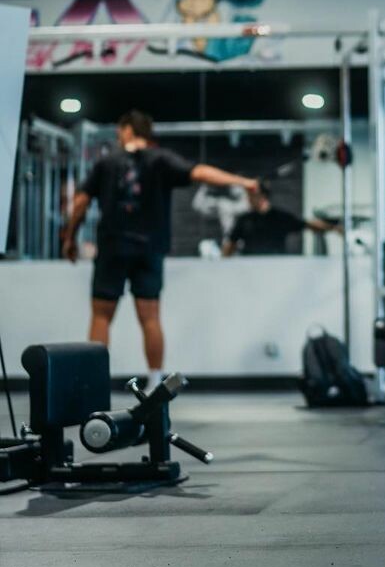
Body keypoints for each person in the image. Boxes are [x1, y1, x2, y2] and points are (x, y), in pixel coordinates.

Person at [61, 110, 260, 390]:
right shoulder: (161, 159)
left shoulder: (107, 162)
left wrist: (69, 237)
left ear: (128, 130)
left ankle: (93, 383)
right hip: (149, 249)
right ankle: (155, 383)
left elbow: (81, 202)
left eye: (119, 132)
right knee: (150, 318)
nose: (118, 138)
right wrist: (244, 182)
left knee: (102, 316)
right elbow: (201, 172)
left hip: (113, 248)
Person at [222, 180, 341, 256]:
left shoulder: (280, 217)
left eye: (251, 196)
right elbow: (231, 244)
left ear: (262, 196)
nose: (248, 199)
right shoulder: (244, 220)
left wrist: (333, 228)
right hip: (249, 269)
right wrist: (222, 266)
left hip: (276, 268)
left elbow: (308, 225)